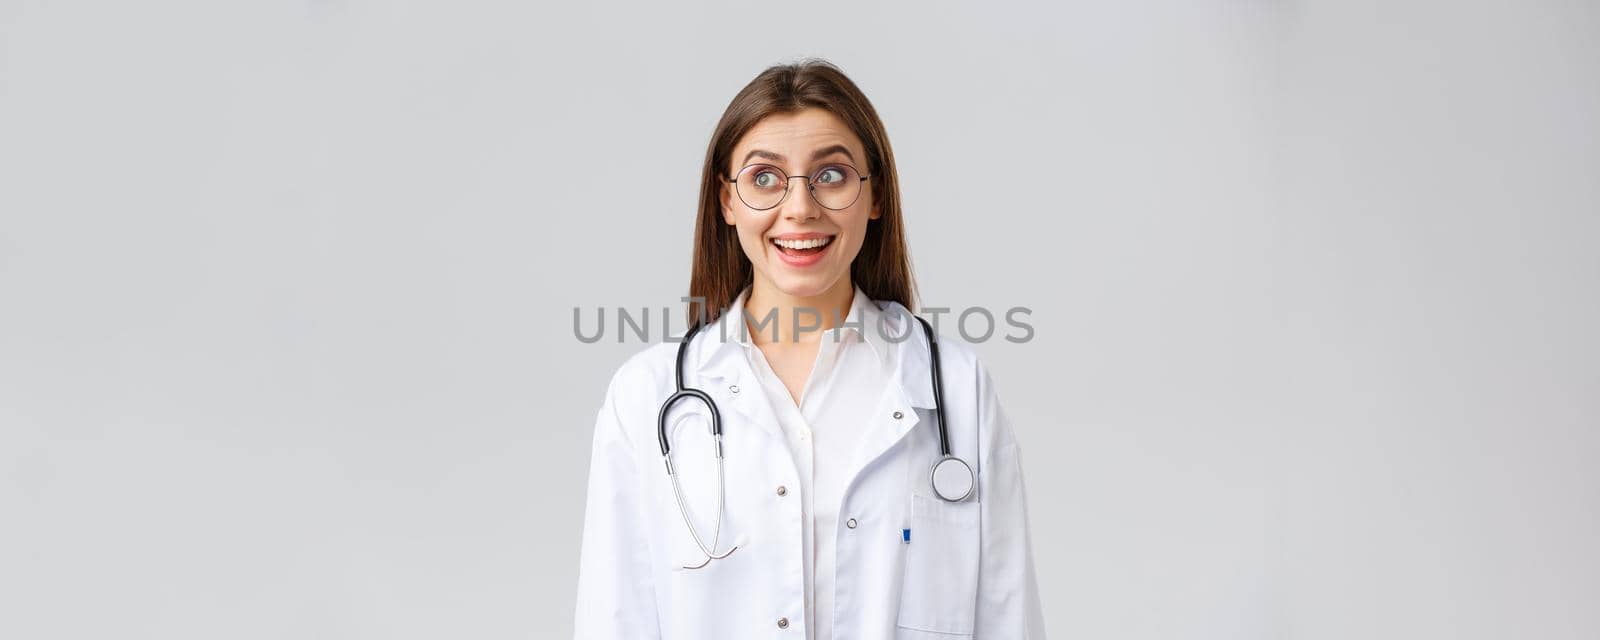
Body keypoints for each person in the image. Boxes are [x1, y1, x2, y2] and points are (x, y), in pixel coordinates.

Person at [573, 59, 1046, 639]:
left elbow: (1007, 615)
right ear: (727, 201)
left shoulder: (956, 386)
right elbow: (613, 619)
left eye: (832, 175)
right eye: (764, 178)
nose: (800, 208)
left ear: (875, 197)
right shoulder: (645, 395)